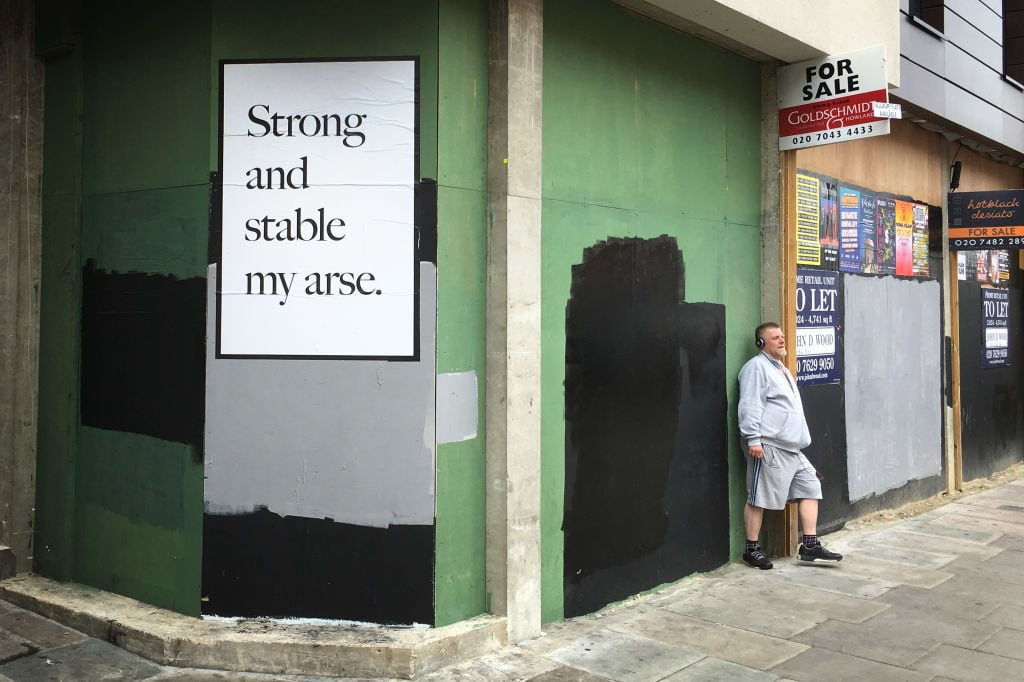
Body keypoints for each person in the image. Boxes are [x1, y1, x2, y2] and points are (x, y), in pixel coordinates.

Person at [737, 322, 842, 569]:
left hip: (792, 448)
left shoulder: (781, 369)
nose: (781, 340)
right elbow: (750, 404)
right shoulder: (756, 368)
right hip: (769, 445)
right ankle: (751, 549)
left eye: (782, 336)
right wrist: (753, 438)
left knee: (811, 485)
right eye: (775, 338)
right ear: (761, 343)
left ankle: (809, 545)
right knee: (758, 497)